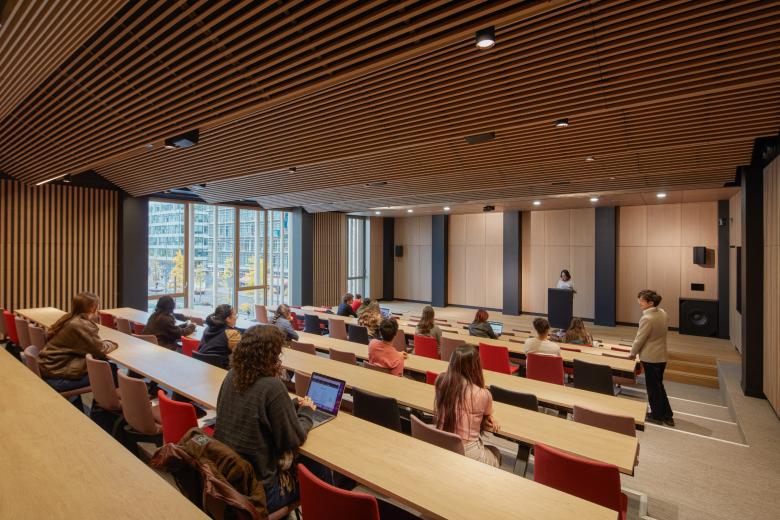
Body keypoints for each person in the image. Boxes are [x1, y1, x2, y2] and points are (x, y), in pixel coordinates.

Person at [214, 325, 318, 513]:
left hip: (228, 476)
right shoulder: (272, 387)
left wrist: (291, 404)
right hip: (260, 492)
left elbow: (258, 408)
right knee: (318, 470)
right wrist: (306, 412)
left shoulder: (231, 375)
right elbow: (294, 439)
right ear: (270, 355)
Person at [38, 292, 118, 410]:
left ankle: (90, 408)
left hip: (51, 368)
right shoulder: (81, 325)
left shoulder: (68, 318)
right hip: (58, 376)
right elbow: (100, 349)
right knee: (110, 371)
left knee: (105, 366)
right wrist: (113, 343)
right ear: (93, 308)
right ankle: (104, 411)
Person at [433, 345, 500, 467]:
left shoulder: (441, 382)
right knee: (496, 452)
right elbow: (487, 412)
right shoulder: (483, 394)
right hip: (467, 452)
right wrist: (489, 416)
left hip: (442, 442)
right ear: (476, 367)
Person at [630, 289, 673, 426]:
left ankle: (656, 415)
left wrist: (632, 353)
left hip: (650, 357)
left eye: (642, 300)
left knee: (653, 388)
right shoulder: (663, 313)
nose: (639, 302)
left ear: (651, 303)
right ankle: (667, 415)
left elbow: (639, 339)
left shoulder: (647, 318)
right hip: (662, 355)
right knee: (659, 385)